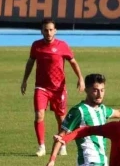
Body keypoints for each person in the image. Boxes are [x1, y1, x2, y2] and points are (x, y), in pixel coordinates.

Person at [21, 18, 84, 157]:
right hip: (41, 88)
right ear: (41, 31)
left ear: (55, 30)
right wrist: (25, 80)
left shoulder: (62, 46)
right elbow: (30, 62)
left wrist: (80, 78)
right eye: (45, 30)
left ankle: (61, 144)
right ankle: (41, 146)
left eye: (51, 30)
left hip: (58, 89)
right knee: (39, 115)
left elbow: (73, 62)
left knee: (61, 119)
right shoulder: (36, 46)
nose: (48, 33)